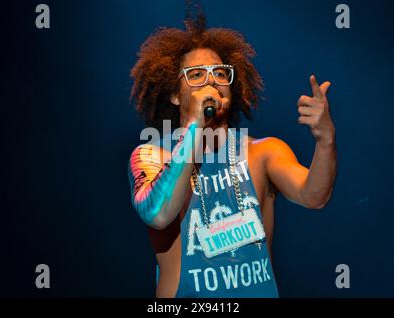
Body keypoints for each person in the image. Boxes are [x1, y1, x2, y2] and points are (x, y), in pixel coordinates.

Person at [128, 12, 337, 298]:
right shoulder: (151, 153)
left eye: (220, 73)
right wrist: (195, 126)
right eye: (197, 74)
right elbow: (159, 213)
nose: (211, 81)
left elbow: (315, 197)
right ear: (175, 95)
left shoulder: (264, 152)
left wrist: (325, 141)